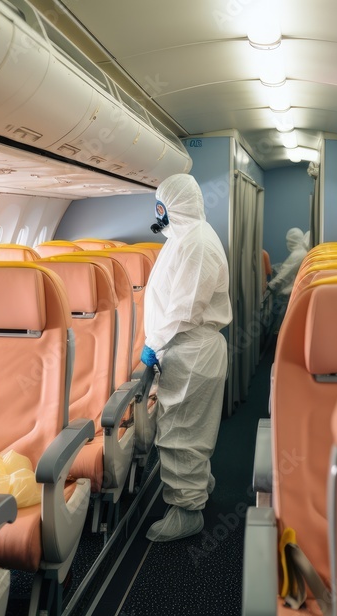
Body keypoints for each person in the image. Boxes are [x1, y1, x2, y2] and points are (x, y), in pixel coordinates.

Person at [141, 173, 232, 542]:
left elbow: (183, 309)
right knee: (187, 428)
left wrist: (154, 342)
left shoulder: (196, 242)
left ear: (169, 206)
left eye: (159, 205)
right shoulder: (183, 236)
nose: (157, 214)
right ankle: (197, 486)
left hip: (191, 350)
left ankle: (187, 510)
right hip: (183, 350)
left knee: (180, 433)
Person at [266, 227, 310, 329]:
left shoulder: (299, 253)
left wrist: (270, 286)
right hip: (295, 296)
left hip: (286, 298)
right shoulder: (304, 253)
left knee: (281, 327)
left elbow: (284, 273)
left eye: (289, 240)